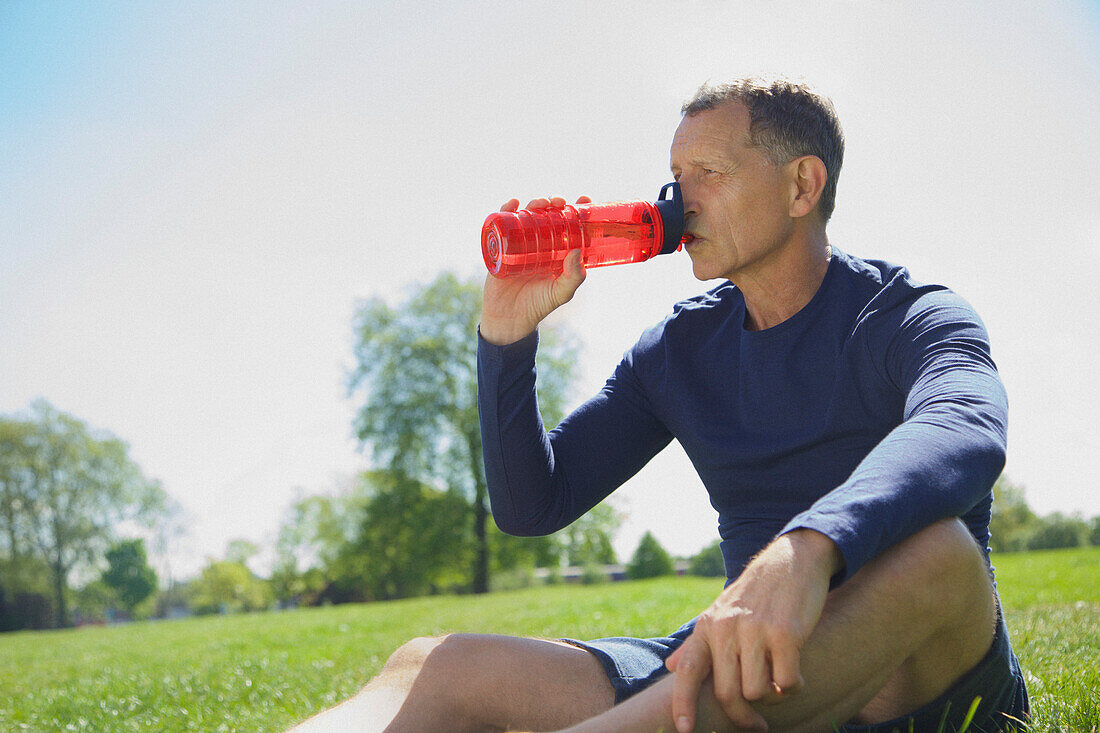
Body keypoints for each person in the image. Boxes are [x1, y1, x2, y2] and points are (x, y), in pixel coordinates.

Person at [291, 78, 1029, 733]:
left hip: (914, 683)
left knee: (940, 551)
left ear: (803, 186)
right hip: (737, 667)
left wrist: (809, 547)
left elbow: (963, 428)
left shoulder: (909, 315)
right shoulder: (679, 349)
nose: (678, 201)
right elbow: (531, 503)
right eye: (675, 176)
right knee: (433, 663)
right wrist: (506, 337)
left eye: (708, 173)